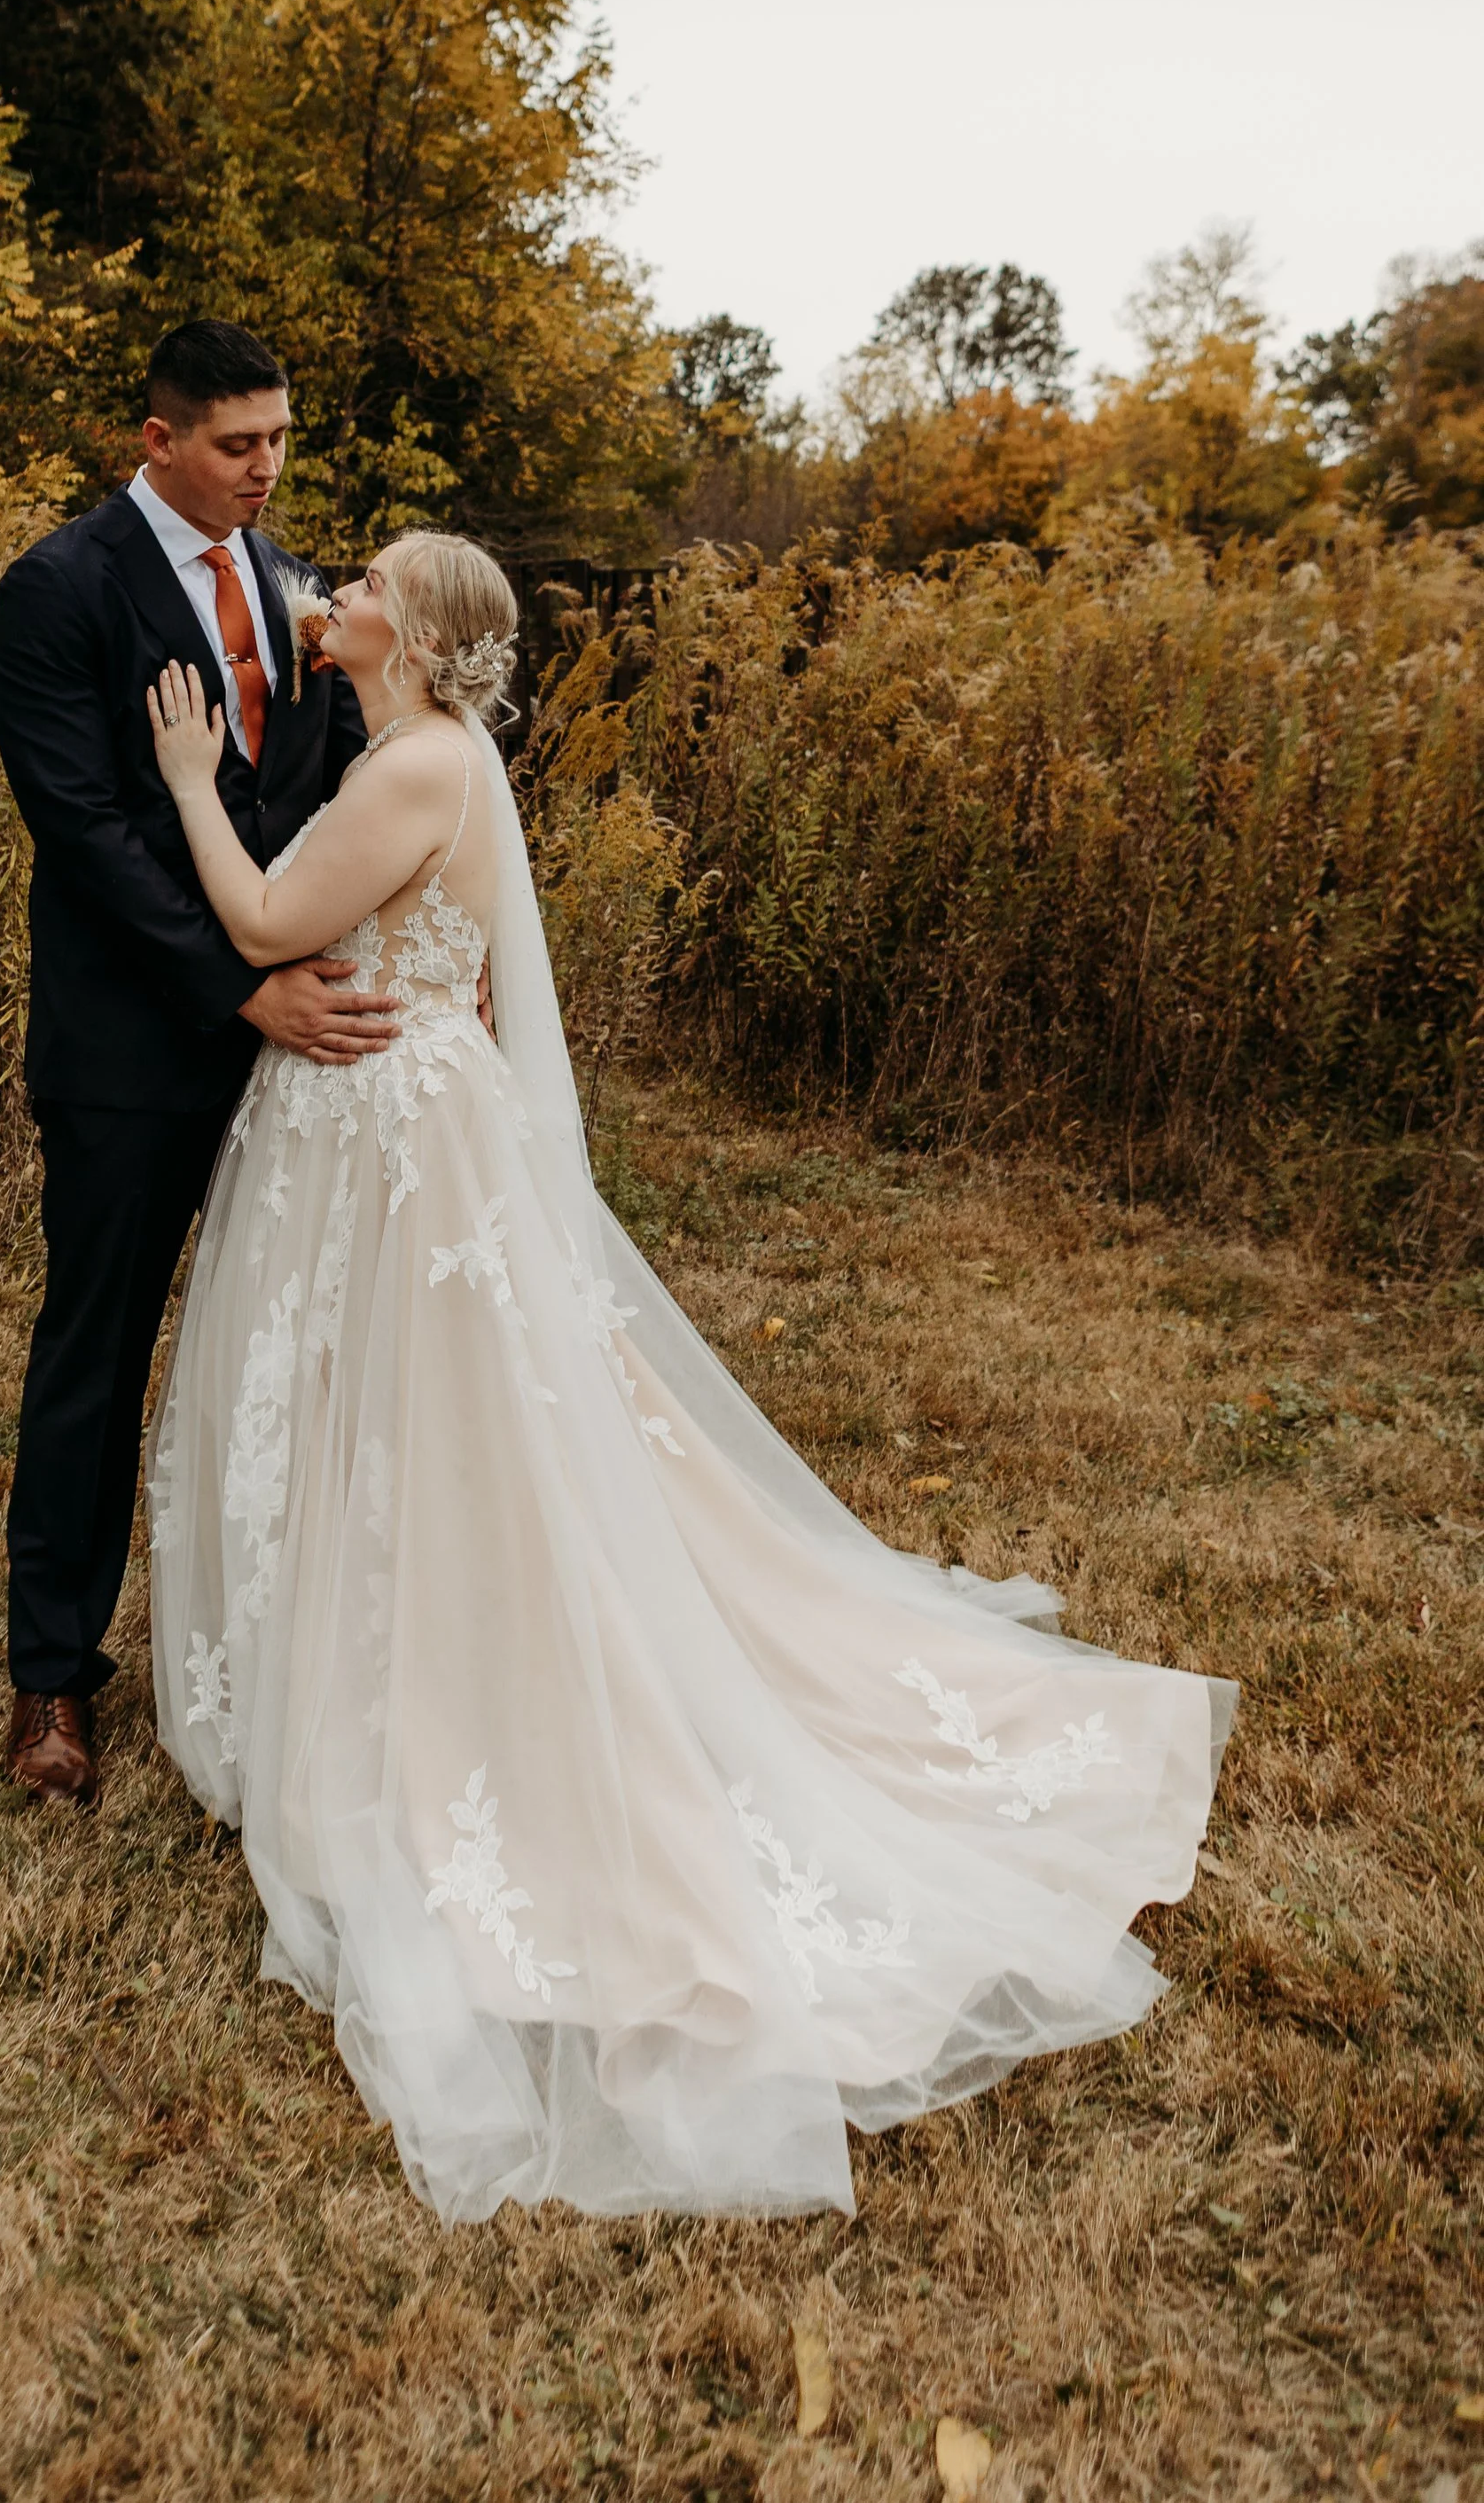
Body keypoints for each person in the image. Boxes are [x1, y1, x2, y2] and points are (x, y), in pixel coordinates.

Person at [142, 529, 1236, 2223]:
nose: (336, 586)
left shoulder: (417, 761)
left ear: (416, 633)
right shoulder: (443, 759)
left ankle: (430, 1693)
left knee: (429, 1432)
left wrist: (191, 780)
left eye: (367, 580)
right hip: (406, 1129)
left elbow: (274, 914)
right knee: (441, 1432)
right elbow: (462, 965)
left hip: (394, 1143)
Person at [0, 321, 391, 1808]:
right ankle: (52, 1683)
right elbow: (82, 832)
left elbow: (348, 773)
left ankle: (288, 1653)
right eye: (238, 443)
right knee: (96, 1347)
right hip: (132, 1046)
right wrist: (242, 988)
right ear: (157, 440)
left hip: (306, 1037)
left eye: (280, 438)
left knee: (298, 1346)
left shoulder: (293, 584)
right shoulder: (57, 589)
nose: (267, 468)